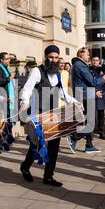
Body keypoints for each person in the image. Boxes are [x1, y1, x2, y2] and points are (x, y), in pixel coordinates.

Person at [19, 45, 81, 187]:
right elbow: (27, 88)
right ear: (46, 57)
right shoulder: (37, 71)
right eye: (50, 57)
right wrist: (24, 101)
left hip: (54, 113)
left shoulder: (58, 74)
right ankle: (25, 166)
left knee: (54, 145)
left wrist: (75, 102)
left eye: (56, 57)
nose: (53, 60)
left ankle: (48, 176)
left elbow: (62, 94)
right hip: (39, 112)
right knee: (37, 143)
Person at [69, 47, 105, 153]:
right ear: (81, 54)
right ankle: (74, 137)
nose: (89, 56)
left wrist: (94, 92)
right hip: (84, 96)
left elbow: (86, 83)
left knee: (90, 121)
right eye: (87, 54)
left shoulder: (81, 65)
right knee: (90, 122)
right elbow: (92, 81)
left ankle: (89, 144)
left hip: (87, 95)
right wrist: (104, 78)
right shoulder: (80, 65)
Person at [91, 56, 105, 139]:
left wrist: (101, 91)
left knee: (101, 115)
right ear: (91, 61)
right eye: (93, 60)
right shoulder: (88, 70)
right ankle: (91, 133)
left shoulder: (103, 70)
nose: (95, 62)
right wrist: (95, 91)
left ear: (99, 61)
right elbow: (88, 82)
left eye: (97, 60)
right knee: (92, 115)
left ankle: (102, 133)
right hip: (92, 94)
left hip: (101, 94)